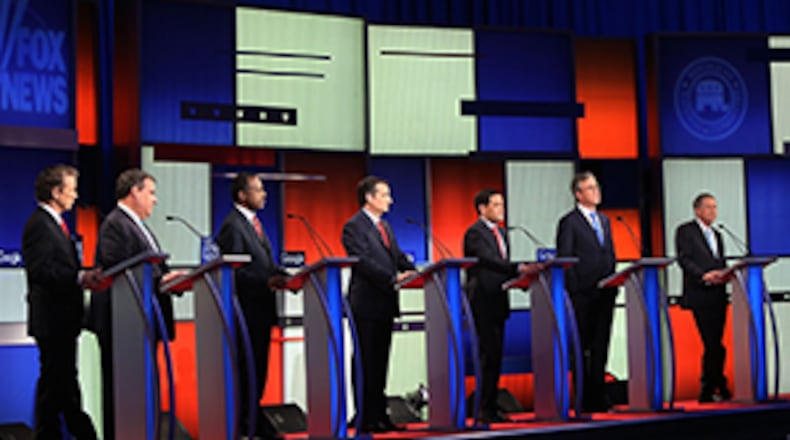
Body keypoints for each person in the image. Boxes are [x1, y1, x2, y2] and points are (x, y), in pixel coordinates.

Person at [87, 168, 183, 440]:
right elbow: (116, 270)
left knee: (142, 390)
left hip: (143, 320)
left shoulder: (138, 226)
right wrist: (160, 279)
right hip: (123, 324)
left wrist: (168, 279)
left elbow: (148, 269)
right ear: (134, 192)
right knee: (120, 391)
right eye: (151, 193)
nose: (155, 200)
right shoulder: (115, 224)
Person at [22, 165, 99, 439]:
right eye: (72, 189)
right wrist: (80, 277)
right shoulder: (39, 225)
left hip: (62, 320)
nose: (76, 196)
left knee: (59, 382)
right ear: (56, 192)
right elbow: (41, 271)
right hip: (53, 320)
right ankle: (76, 431)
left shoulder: (54, 223)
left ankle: (61, 431)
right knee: (58, 382)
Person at [342, 176, 416, 433]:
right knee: (365, 361)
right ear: (369, 198)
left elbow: (396, 256)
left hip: (385, 302)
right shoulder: (354, 226)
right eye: (384, 195)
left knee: (381, 362)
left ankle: (379, 414)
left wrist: (413, 271)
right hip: (366, 303)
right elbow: (361, 261)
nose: (390, 200)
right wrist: (391, 277)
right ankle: (364, 415)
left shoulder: (385, 226)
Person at [215, 173, 287, 436]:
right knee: (248, 369)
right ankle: (246, 421)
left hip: (261, 310)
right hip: (246, 311)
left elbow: (263, 265)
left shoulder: (255, 223)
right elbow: (234, 271)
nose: (264, 194)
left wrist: (286, 277)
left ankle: (253, 417)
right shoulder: (233, 226)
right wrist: (268, 280)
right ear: (242, 195)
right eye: (258, 190)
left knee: (259, 367)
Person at [463, 189, 542, 424]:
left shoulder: (503, 233)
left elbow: (500, 267)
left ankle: (490, 406)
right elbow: (489, 261)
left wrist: (519, 282)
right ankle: (484, 409)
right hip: (483, 300)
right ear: (482, 208)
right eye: (496, 205)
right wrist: (518, 269)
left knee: (496, 356)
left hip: (499, 299)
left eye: (502, 204)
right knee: (488, 355)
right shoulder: (474, 233)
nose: (501, 209)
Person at [556, 171, 617, 413]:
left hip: (605, 292)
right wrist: (575, 291)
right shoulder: (569, 222)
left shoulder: (605, 220)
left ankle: (599, 396)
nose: (596, 191)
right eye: (590, 188)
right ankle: (583, 397)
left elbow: (609, 254)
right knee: (582, 348)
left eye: (596, 186)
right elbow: (566, 258)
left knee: (601, 346)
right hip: (582, 294)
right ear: (578, 194)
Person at [675, 193, 731, 402]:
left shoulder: (718, 234)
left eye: (715, 207)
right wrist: (703, 275)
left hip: (718, 294)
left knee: (716, 343)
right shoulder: (686, 231)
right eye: (708, 207)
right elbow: (684, 259)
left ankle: (713, 384)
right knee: (712, 342)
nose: (713, 211)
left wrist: (724, 274)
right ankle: (712, 386)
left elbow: (720, 262)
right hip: (700, 293)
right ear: (697, 210)